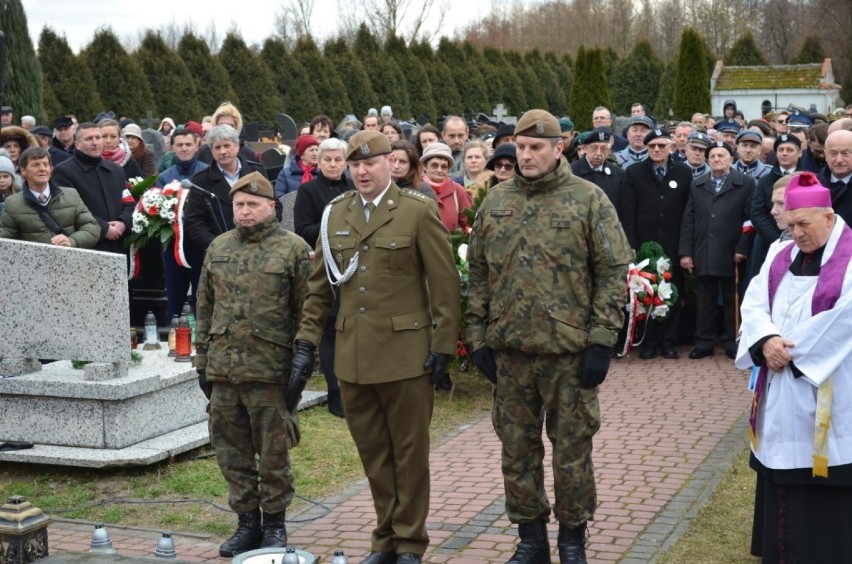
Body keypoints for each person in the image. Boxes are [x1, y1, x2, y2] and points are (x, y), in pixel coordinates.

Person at [465, 110, 632, 564]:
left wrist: (601, 340)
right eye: (520, 147)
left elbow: (613, 271)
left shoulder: (588, 199)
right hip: (511, 353)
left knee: (572, 452)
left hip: (569, 354)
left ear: (560, 147)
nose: (526, 155)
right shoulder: (496, 201)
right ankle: (531, 539)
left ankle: (573, 539)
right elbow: (477, 272)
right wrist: (477, 337)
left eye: (536, 147)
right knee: (517, 451)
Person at [290, 130, 461, 564]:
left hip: (406, 355)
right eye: (354, 165)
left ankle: (410, 543)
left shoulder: (417, 211)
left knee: (409, 454)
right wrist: (306, 344)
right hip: (352, 356)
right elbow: (318, 289)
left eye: (370, 163)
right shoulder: (335, 214)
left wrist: (443, 346)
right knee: (373, 455)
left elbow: (444, 286)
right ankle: (385, 538)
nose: (362, 171)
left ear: (391, 164)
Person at [735, 172, 852, 563]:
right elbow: (754, 302)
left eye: (805, 224)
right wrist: (765, 340)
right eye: (791, 224)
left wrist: (790, 354)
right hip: (778, 389)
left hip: (829, 389)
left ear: (829, 217)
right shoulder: (778, 255)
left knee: (822, 491)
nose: (797, 233)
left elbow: (844, 320)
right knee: (779, 476)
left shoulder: (849, 259)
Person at [194, 171, 312, 558]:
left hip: (270, 372)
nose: (244, 212)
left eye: (252, 205)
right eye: (238, 205)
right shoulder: (218, 247)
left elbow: (306, 311)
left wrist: (301, 363)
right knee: (232, 452)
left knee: (274, 453)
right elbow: (205, 306)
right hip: (224, 371)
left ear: (270, 207)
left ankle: (275, 524)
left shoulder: (292, 249)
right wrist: (201, 360)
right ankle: (247, 523)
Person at [292, 138, 354, 418]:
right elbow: (303, 229)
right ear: (318, 162)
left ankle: (354, 387)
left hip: (355, 267)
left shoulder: (353, 189)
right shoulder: (308, 191)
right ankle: (334, 391)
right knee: (329, 329)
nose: (332, 164)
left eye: (338, 160)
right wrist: (337, 226)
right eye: (327, 159)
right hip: (325, 267)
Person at [679, 141, 756, 360]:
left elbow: (750, 219)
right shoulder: (698, 184)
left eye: (721, 155)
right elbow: (689, 219)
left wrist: (743, 247)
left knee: (733, 299)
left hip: (732, 252)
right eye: (712, 156)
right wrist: (686, 252)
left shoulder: (745, 183)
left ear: (731, 159)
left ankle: (732, 341)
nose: (716, 159)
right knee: (705, 300)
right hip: (704, 249)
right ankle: (704, 341)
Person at [626, 127, 693, 359]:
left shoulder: (684, 173)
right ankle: (649, 341)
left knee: (671, 292)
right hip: (645, 245)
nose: (656, 150)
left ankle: (669, 341)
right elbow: (629, 210)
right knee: (646, 293)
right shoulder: (634, 172)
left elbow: (688, 212)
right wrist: (632, 243)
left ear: (670, 147)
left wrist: (686, 247)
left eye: (661, 146)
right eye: (652, 146)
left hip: (673, 244)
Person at [183, 125, 269, 255]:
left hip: (257, 247)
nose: (222, 151)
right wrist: (216, 246)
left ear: (237, 146)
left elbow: (274, 206)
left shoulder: (256, 172)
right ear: (211, 151)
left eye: (227, 146)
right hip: (220, 253)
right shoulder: (201, 180)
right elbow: (194, 220)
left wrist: (261, 233)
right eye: (217, 147)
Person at [51, 122, 134, 254]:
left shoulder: (116, 170)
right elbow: (69, 211)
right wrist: (104, 228)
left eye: (98, 137)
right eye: (89, 139)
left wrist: (123, 223)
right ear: (77, 144)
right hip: (88, 248)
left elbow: (128, 202)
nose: (95, 143)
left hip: (119, 244)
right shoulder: (63, 172)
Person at [155, 128, 210, 320]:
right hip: (173, 245)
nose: (184, 148)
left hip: (200, 245)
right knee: (174, 294)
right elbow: (157, 207)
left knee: (201, 294)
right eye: (179, 145)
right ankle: (174, 334)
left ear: (197, 146)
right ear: (172, 147)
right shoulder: (165, 176)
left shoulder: (206, 172)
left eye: (188, 144)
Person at [0, 146, 100, 248]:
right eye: (36, 165)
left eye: (45, 164)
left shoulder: (71, 195)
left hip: (69, 261)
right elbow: (4, 241)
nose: (42, 168)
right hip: (34, 262)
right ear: (23, 170)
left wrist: (72, 241)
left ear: (51, 169)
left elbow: (92, 228)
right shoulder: (12, 203)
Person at [572, 127, 636, 248]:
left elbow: (626, 213)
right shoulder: (571, 172)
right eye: (594, 147)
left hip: (609, 240)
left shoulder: (619, 174)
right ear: (585, 148)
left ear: (609, 151)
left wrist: (629, 244)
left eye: (603, 149)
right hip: (579, 240)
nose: (598, 153)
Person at [419, 142, 473, 232]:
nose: (439, 170)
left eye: (444, 166)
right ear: (424, 166)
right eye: (434, 165)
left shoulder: (457, 190)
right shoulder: (414, 188)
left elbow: (470, 223)